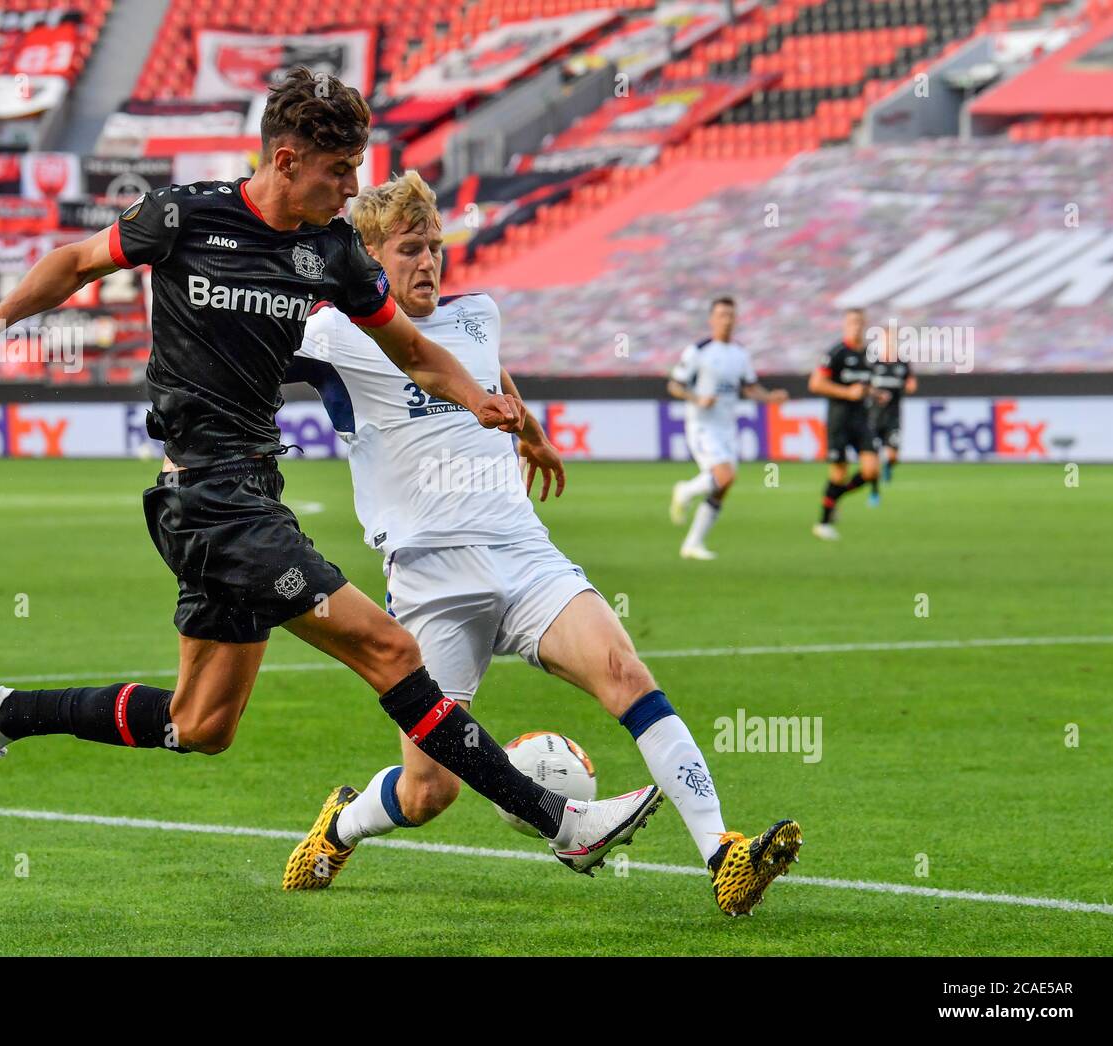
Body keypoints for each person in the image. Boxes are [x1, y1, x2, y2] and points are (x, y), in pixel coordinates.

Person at [0, 68, 661, 878]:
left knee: (200, 724)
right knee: (390, 650)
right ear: (286, 161)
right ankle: (560, 821)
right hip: (207, 500)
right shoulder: (183, 215)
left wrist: (482, 400)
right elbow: (75, 262)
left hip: (252, 490)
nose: (353, 187)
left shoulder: (334, 252)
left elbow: (412, 350)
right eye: (338, 171)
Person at [283, 172, 801, 915]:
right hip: (431, 581)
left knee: (625, 670)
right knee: (431, 790)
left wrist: (533, 433)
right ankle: (343, 824)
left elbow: (488, 372)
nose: (429, 262)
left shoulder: (477, 316)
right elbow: (248, 352)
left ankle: (726, 854)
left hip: (523, 554)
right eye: (409, 250)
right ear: (367, 258)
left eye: (435, 247)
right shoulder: (331, 335)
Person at [667, 297, 787, 560]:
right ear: (711, 319)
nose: (726, 320)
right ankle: (685, 491)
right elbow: (675, 385)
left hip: (726, 427)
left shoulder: (740, 354)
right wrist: (698, 399)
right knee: (725, 475)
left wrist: (770, 398)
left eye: (731, 315)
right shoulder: (698, 351)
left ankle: (693, 544)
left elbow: (749, 386)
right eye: (721, 315)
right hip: (702, 425)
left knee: (722, 486)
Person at [809, 308, 882, 540]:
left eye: (860, 322)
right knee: (838, 474)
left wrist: (874, 393)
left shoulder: (869, 355)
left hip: (861, 420)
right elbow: (816, 384)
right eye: (852, 322)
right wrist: (847, 392)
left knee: (871, 470)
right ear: (845, 325)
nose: (856, 326)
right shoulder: (836, 353)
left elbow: (863, 386)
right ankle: (823, 522)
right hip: (839, 420)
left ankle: (835, 498)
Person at [867, 324, 917, 505]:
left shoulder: (902, 363)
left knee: (893, 455)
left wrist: (910, 386)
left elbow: (911, 382)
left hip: (893, 417)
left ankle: (888, 466)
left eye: (892, 339)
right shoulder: (873, 362)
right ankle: (874, 493)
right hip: (872, 417)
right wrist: (875, 393)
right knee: (871, 461)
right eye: (886, 339)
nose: (889, 342)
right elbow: (864, 384)